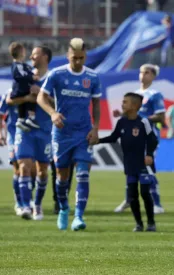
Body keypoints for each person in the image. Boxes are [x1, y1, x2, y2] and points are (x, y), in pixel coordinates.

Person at [37, 38, 101, 231]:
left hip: (83, 132)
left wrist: (96, 127)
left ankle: (79, 217)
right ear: (68, 55)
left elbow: (97, 104)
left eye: (81, 58)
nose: (78, 62)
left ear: (85, 56)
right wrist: (53, 113)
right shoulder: (57, 74)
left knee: (83, 174)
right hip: (62, 133)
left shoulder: (93, 77)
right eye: (74, 58)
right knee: (62, 176)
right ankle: (64, 209)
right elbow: (41, 97)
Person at [98, 93, 158, 232]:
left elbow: (153, 139)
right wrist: (98, 141)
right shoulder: (122, 122)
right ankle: (138, 224)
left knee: (145, 193)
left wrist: (149, 154)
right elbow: (113, 137)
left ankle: (151, 223)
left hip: (144, 164)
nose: (122, 104)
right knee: (132, 196)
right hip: (130, 165)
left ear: (135, 105)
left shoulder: (144, 122)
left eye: (125, 102)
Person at [8, 46, 53, 220]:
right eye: (31, 53)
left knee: (42, 171)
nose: (32, 56)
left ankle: (38, 205)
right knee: (24, 167)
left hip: (45, 130)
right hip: (24, 129)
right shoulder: (25, 76)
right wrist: (27, 98)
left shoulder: (53, 78)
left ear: (45, 57)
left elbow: (59, 105)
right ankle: (25, 206)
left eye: (36, 53)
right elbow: (11, 99)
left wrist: (42, 95)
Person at [113, 64, 165, 214]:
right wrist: (121, 115)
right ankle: (129, 199)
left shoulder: (155, 94)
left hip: (148, 138)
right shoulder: (134, 94)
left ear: (153, 76)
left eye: (147, 72)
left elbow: (160, 116)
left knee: (146, 168)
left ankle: (157, 203)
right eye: (141, 72)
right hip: (132, 137)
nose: (143, 75)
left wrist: (142, 120)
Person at [0, 90, 23, 216]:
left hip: (31, 134)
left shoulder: (35, 92)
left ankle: (27, 199)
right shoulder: (8, 94)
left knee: (32, 170)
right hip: (13, 135)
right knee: (18, 169)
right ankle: (19, 202)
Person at [8, 42, 39, 131]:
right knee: (31, 98)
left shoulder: (22, 65)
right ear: (21, 52)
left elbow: (27, 71)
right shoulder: (16, 65)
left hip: (21, 89)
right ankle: (31, 117)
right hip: (20, 89)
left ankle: (21, 120)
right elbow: (19, 75)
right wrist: (32, 77)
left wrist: (33, 74)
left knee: (22, 104)